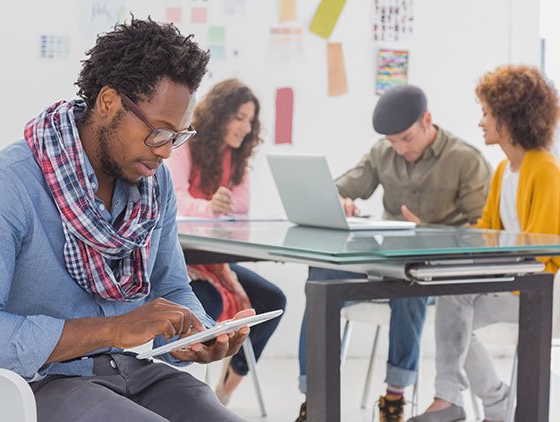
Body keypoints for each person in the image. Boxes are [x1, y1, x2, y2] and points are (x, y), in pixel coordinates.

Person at [0, 18, 254, 422]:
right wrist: (113, 329)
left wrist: (198, 334)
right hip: (39, 383)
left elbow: (173, 286)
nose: (165, 153)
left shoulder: (152, 184)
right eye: (158, 133)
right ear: (108, 103)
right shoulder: (7, 184)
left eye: (177, 137)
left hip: (130, 371)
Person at [296, 85, 493, 422]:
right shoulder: (382, 153)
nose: (400, 149)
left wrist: (432, 230)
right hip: (385, 263)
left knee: (410, 286)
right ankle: (314, 398)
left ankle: (394, 399)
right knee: (321, 278)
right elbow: (340, 186)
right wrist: (339, 201)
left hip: (437, 273)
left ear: (427, 120)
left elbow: (486, 231)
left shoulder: (465, 159)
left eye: (406, 138)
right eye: (392, 141)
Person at [409, 65, 560, 422]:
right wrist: (431, 231)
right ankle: (465, 400)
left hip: (548, 292)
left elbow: (546, 254)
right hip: (521, 286)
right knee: (454, 301)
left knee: (462, 310)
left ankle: (496, 407)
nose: (481, 122)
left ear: (510, 119)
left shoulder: (545, 170)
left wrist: (495, 263)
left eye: (487, 113)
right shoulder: (503, 171)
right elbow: (487, 234)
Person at [167, 79, 286, 405]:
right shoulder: (185, 145)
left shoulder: (237, 158)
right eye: (240, 118)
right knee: (208, 304)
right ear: (220, 115)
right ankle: (179, 397)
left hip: (215, 261)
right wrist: (208, 207)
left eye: (250, 120)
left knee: (272, 302)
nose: (247, 128)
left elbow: (240, 207)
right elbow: (172, 199)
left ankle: (223, 394)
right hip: (181, 261)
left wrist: (220, 208)